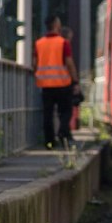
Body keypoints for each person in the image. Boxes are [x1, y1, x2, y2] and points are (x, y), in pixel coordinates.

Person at [33, 16, 77, 149]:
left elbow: (34, 63)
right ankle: (63, 133)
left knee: (47, 114)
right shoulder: (63, 43)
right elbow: (69, 63)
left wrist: (38, 75)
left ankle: (49, 142)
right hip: (63, 83)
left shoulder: (39, 43)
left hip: (45, 85)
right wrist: (75, 80)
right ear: (56, 25)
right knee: (66, 112)